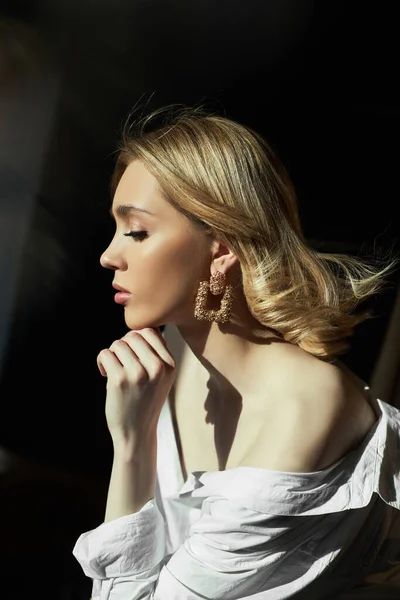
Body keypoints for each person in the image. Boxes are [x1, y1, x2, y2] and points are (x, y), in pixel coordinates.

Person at [72, 104, 400, 599]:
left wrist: (131, 447)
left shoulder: (303, 405)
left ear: (221, 248)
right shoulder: (177, 358)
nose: (108, 255)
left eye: (136, 231)